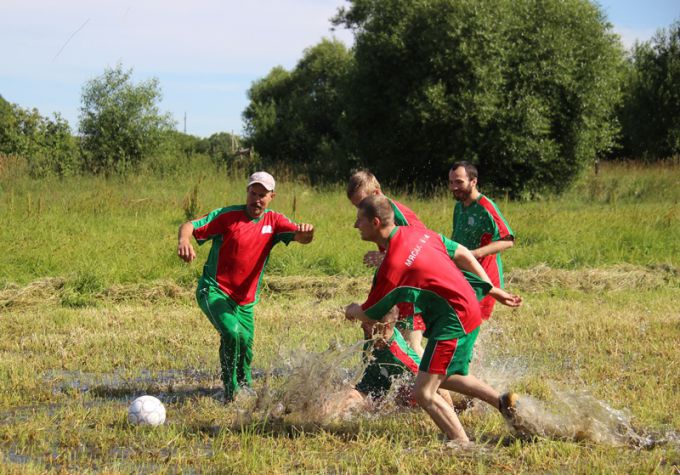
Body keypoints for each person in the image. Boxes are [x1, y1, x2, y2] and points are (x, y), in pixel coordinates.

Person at [345, 195, 522, 443]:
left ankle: (462, 443)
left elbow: (370, 315)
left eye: (359, 220)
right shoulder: (419, 234)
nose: (355, 226)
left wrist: (352, 309)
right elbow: (461, 253)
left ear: (375, 223)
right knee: (445, 375)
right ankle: (502, 402)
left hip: (452, 320)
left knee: (424, 392)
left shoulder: (392, 267)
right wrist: (491, 289)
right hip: (468, 306)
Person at [177, 171, 314, 402]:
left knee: (246, 346)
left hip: (246, 301)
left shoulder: (275, 221)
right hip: (214, 290)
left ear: (272, 196)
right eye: (253, 193)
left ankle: (245, 386)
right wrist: (184, 241)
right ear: (247, 191)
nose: (257, 199)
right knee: (233, 333)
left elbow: (301, 238)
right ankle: (231, 392)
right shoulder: (227, 215)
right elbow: (189, 225)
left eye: (263, 195)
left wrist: (307, 234)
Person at [346, 170, 428, 356]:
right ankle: (400, 381)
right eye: (356, 206)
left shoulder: (399, 216)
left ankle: (435, 384)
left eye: (361, 203)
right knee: (380, 333)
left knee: (411, 343)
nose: (359, 210)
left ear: (376, 193)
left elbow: (423, 249)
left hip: (414, 289)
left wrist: (386, 258)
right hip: (398, 285)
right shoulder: (377, 214)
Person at [449, 161, 515, 320]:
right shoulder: (459, 207)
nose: (454, 187)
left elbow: (508, 240)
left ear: (473, 181)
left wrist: (473, 254)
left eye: (459, 182)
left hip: (483, 277)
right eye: (451, 182)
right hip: (463, 273)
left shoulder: (486, 207)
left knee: (471, 323)